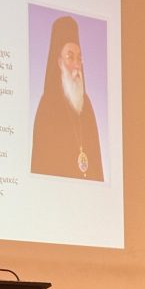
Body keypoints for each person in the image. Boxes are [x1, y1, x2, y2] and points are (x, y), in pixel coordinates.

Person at [31, 15, 104, 181]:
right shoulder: (47, 105)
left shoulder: (86, 105)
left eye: (79, 58)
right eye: (70, 57)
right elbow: (42, 165)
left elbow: (97, 164)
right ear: (59, 62)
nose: (77, 65)